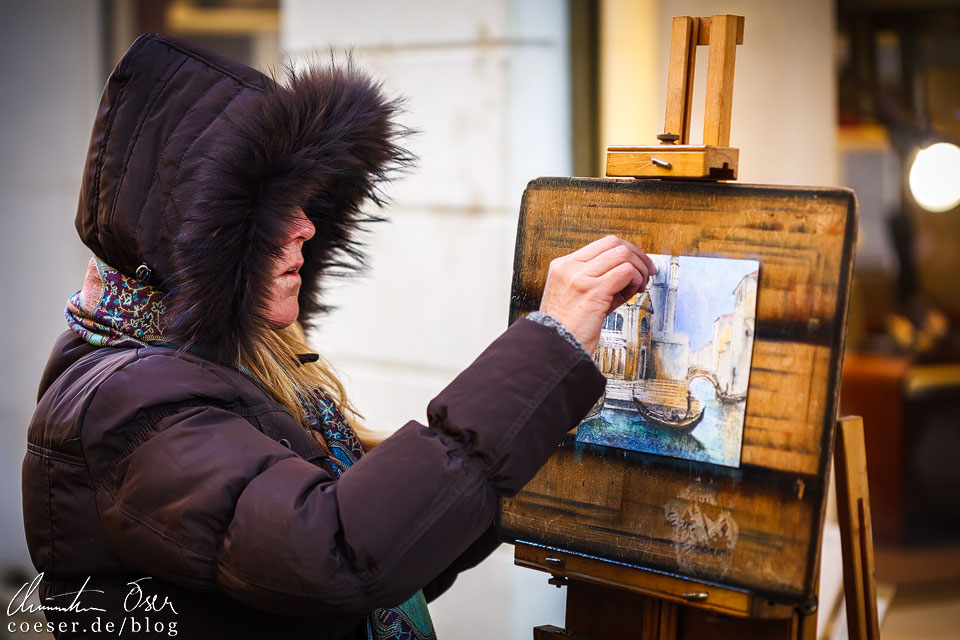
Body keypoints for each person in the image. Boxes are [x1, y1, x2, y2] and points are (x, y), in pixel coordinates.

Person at [22, 34, 653, 639]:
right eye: (271, 210)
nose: (304, 228)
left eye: (307, 203)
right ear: (192, 237)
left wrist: (541, 407)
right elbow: (337, 551)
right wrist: (545, 353)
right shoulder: (129, 402)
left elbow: (401, 556)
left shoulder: (218, 369)